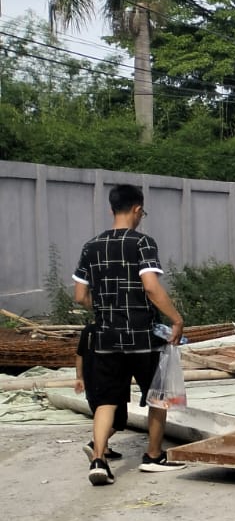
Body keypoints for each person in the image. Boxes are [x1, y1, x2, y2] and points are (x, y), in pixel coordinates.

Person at [72, 183, 186, 485]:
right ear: (137, 209)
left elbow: (80, 294)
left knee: (107, 400)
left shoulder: (90, 246)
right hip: (141, 337)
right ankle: (152, 456)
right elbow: (150, 286)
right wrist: (176, 319)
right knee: (157, 397)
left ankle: (98, 458)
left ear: (112, 209)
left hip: (106, 339)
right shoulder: (142, 243)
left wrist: (104, 308)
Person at [75, 324, 128, 460]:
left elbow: (79, 354)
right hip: (111, 379)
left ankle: (104, 449)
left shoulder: (88, 330)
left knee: (99, 413)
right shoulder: (117, 328)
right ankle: (95, 444)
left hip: (91, 379)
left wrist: (79, 377)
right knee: (118, 420)